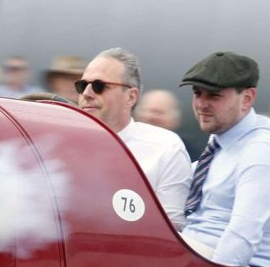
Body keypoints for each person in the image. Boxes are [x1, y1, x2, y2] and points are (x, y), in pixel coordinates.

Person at [178, 51, 270, 267]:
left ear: (247, 99)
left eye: (214, 95)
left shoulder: (261, 150)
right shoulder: (224, 137)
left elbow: (244, 234)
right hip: (197, 249)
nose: (201, 104)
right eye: (197, 93)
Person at [78, 48, 191, 228]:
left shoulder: (165, 147)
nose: (87, 94)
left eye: (99, 86)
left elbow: (173, 228)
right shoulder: (64, 142)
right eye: (82, 86)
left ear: (131, 96)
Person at [136, 89, 201, 161]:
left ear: (175, 120)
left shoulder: (184, 151)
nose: (152, 117)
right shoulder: (124, 144)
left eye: (158, 112)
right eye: (148, 111)